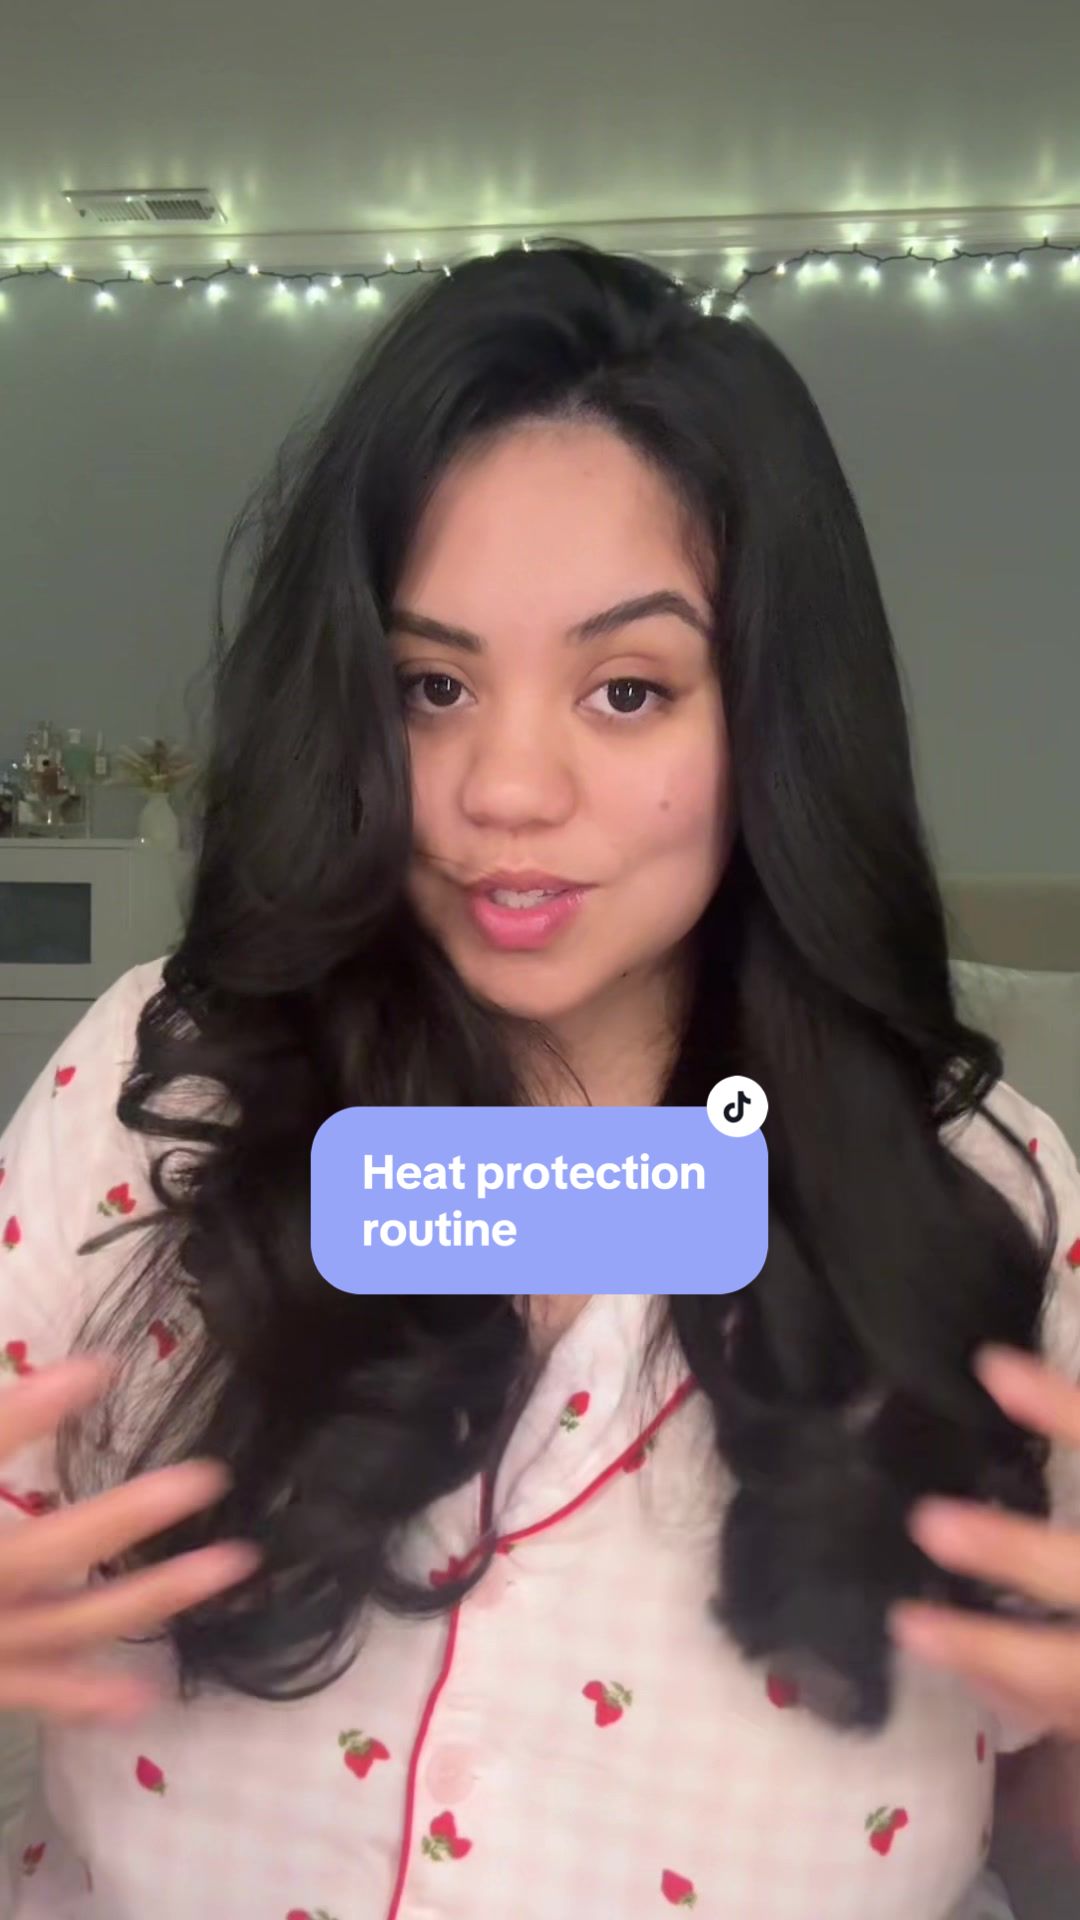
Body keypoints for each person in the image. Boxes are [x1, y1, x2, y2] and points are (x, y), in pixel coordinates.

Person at [0, 240, 1078, 1920]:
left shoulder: (984, 1202)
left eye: (627, 690)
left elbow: (1039, 1822)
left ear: (771, 719)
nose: (506, 787)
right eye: (430, 687)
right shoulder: (161, 1098)